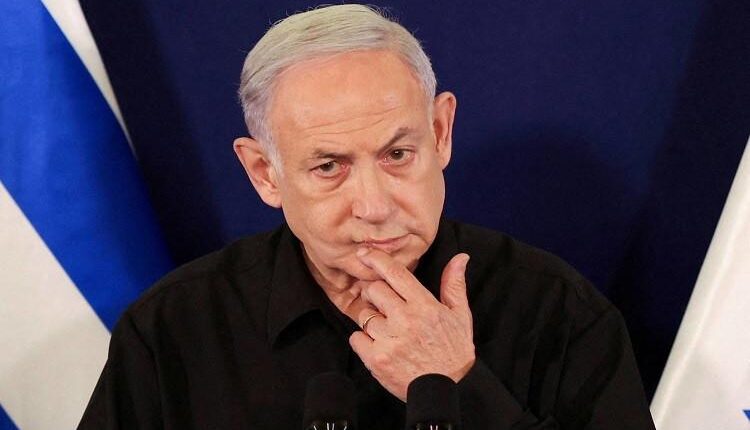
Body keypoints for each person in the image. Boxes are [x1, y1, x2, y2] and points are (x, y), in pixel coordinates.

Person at [78, 4, 656, 429]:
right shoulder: (174, 328)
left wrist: (457, 385)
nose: (375, 207)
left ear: (440, 132)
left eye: (397, 155)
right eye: (329, 166)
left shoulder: (559, 312)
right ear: (264, 173)